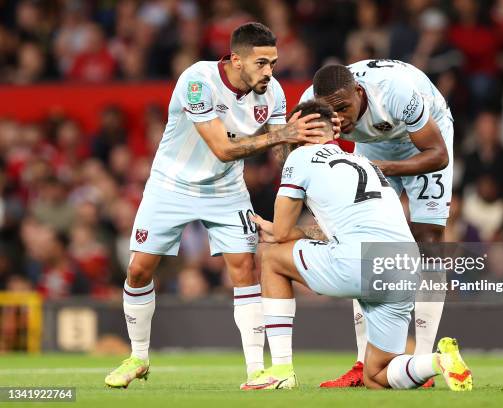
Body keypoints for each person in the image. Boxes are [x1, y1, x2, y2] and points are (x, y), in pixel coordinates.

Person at [104, 22, 329, 389]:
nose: (269, 72)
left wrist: (310, 146)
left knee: (245, 268)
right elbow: (222, 149)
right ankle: (138, 357)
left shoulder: (273, 95)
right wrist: (281, 135)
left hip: (225, 189)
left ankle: (256, 369)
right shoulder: (198, 81)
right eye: (261, 63)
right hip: (170, 185)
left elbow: (278, 151)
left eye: (273, 62)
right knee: (139, 270)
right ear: (236, 60)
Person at [242, 100, 472, 391]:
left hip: (359, 261)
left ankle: (282, 370)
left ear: (298, 129)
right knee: (376, 376)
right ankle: (436, 362)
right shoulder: (363, 162)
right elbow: (338, 227)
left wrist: (271, 230)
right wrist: (296, 233)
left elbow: (283, 232)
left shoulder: (300, 159)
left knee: (273, 257)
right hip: (404, 265)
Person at [300, 59, 452, 387]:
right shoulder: (310, 106)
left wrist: (383, 168)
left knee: (429, 240)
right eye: (331, 113)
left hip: (426, 134)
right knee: (361, 242)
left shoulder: (396, 91)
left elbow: (438, 154)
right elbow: (298, 158)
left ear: (359, 91)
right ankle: (361, 363)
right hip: (371, 147)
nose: (338, 118)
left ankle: (424, 360)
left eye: (343, 108)